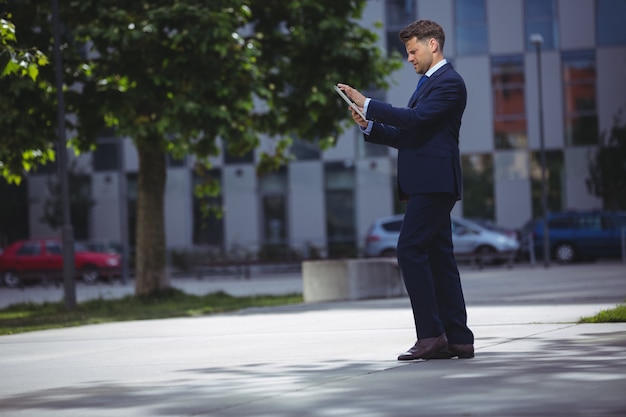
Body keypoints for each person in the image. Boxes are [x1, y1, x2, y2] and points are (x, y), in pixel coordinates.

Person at [338, 19, 474, 360]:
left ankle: (431, 336)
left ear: (433, 45)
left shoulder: (450, 83)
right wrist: (370, 125)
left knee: (409, 249)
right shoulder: (429, 84)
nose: (409, 58)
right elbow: (410, 135)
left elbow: (413, 122)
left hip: (434, 183)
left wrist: (368, 103)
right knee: (440, 258)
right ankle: (458, 338)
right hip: (429, 183)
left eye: (413, 51)